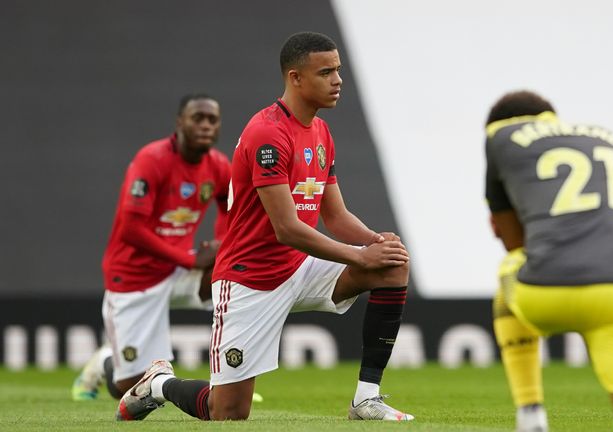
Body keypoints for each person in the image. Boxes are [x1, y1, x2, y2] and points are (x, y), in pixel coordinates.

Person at [114, 31, 413, 422]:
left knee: (392, 265)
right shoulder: (268, 133)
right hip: (249, 279)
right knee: (228, 413)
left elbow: (335, 216)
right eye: (326, 72)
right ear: (296, 78)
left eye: (338, 70)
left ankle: (366, 399)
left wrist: (376, 242)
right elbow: (286, 228)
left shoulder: (321, 132)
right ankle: (158, 384)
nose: (338, 80)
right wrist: (359, 255)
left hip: (299, 268)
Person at [485, 90, 613, 432]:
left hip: (544, 288)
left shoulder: (500, 138)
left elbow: (513, 239)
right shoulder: (611, 139)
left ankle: (530, 412)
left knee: (510, 267)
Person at [71, 94, 231, 402]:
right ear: (179, 122)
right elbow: (131, 229)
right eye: (198, 118)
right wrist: (188, 258)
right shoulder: (153, 159)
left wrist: (220, 243)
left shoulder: (218, 165)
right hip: (135, 276)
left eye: (213, 120)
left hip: (178, 272)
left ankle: (232, 379)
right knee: (129, 388)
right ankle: (105, 361)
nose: (206, 126)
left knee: (232, 277)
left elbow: (229, 205)